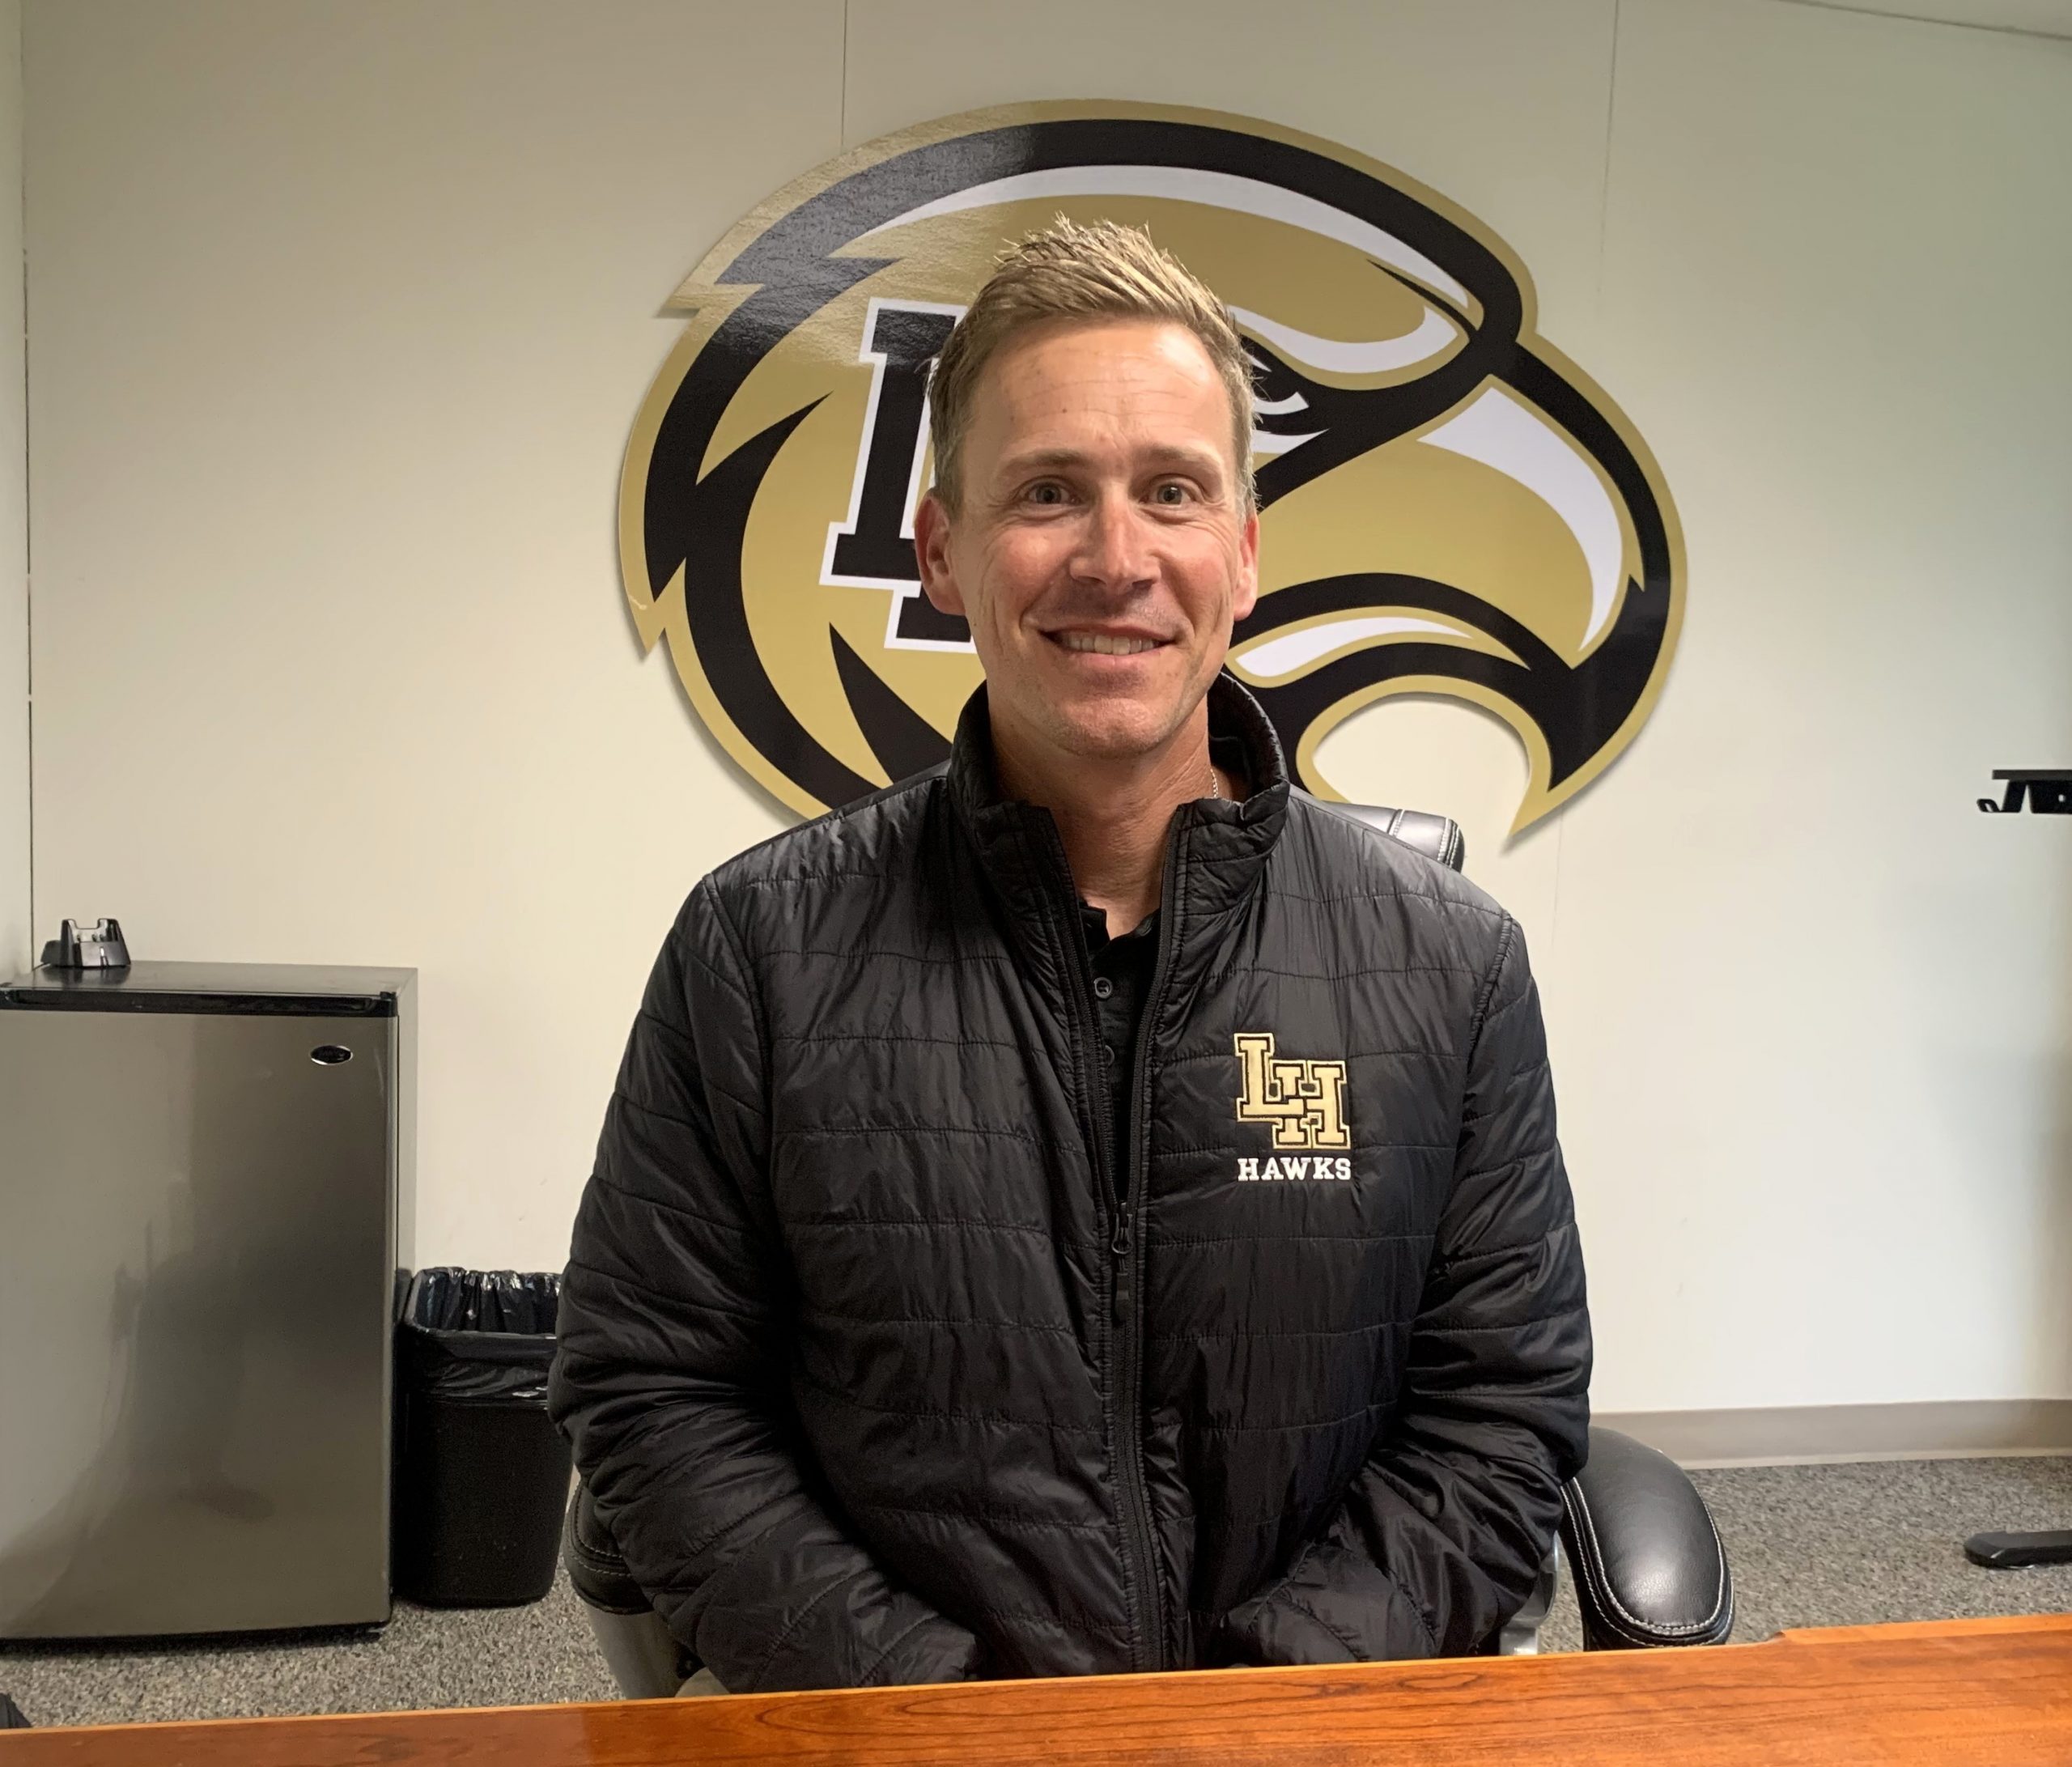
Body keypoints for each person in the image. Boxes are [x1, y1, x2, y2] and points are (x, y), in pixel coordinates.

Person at [548, 219, 1590, 1693]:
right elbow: (654, 1395)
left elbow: (1500, 1410)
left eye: (1173, 491)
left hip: (1304, 1738)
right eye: (1048, 493)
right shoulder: (760, 949)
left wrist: (1252, 1718)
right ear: (944, 552)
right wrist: (948, 1719)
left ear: (1243, 553)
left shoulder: (1451, 966)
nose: (1117, 559)